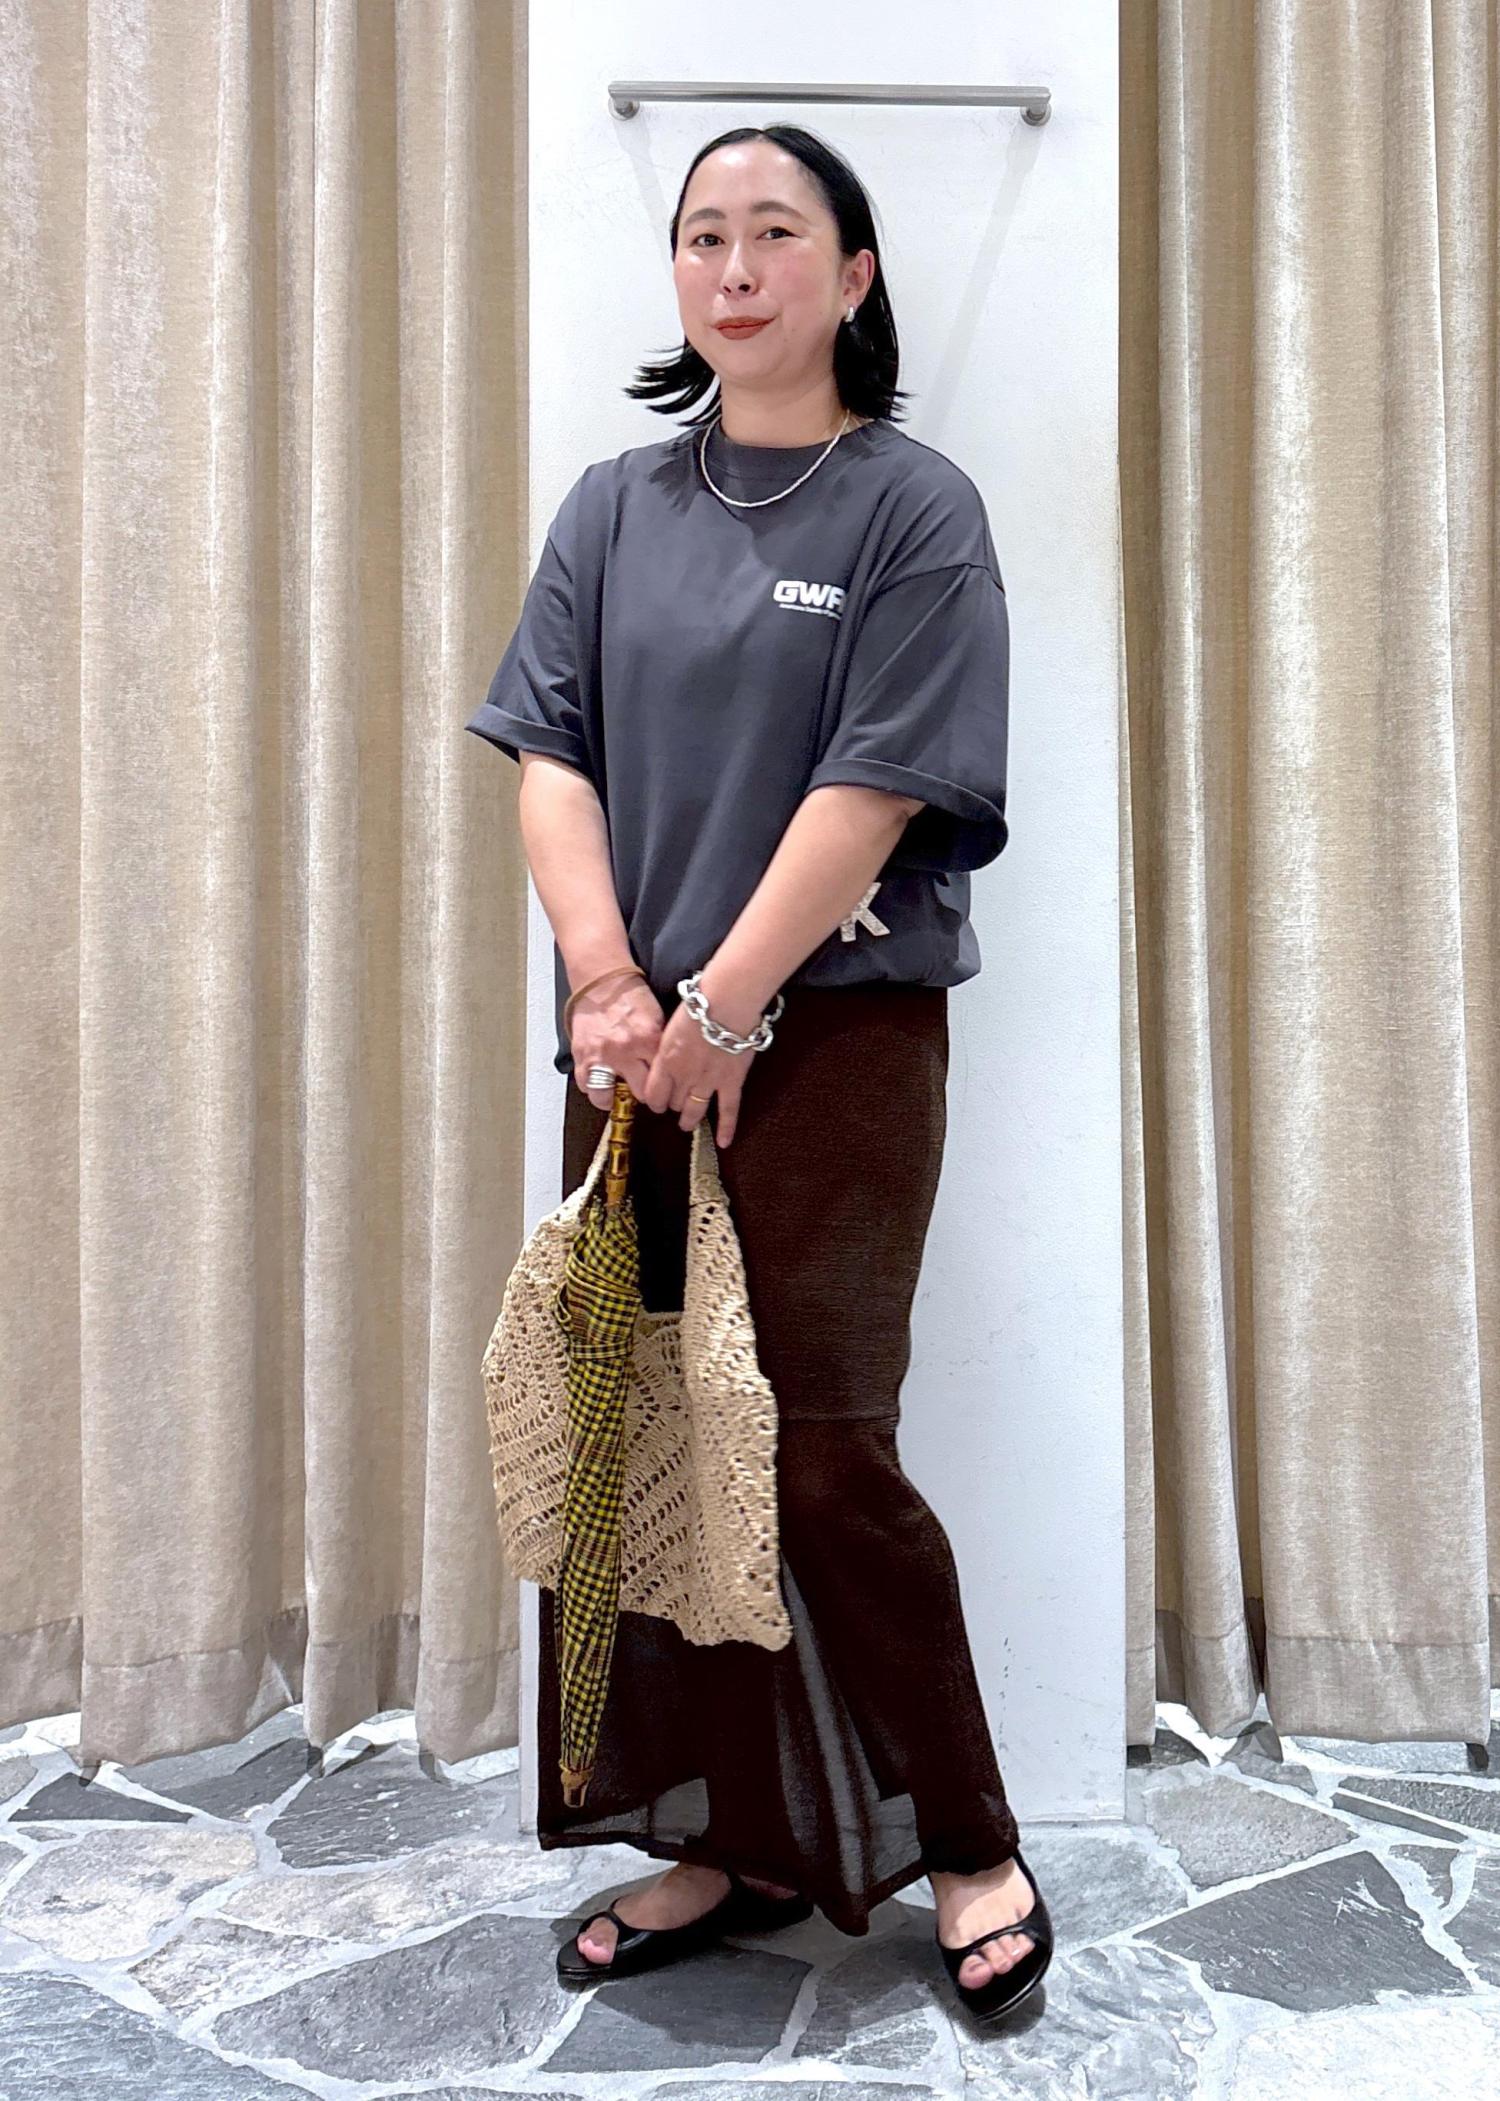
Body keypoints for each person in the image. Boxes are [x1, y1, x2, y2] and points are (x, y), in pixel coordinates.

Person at [466, 123, 1053, 2022]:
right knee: (648, 1433)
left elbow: (876, 786)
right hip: (631, 1047)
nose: (736, 266)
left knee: (817, 1447)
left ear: (853, 275)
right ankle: (717, 1834)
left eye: (778, 233)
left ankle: (969, 1839)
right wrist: (610, 982)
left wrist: (721, 1007)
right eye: (705, 234)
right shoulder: (612, 507)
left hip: (837, 1045)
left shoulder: (914, 510)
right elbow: (549, 750)